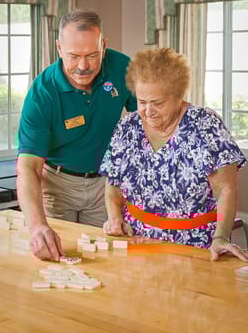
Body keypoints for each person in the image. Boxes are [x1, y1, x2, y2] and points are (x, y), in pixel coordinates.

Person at [99, 47, 248, 262]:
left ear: (178, 95)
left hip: (194, 248)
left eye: (157, 103)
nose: (148, 111)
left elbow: (226, 189)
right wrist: (115, 218)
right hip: (135, 245)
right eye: (142, 102)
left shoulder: (205, 125)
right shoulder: (127, 127)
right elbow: (113, 182)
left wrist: (221, 236)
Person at [16, 8, 137, 261]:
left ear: (104, 45)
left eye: (92, 55)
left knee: (110, 259)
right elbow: (28, 167)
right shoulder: (42, 93)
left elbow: (153, 114)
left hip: (106, 185)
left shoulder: (122, 68)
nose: (83, 66)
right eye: (74, 56)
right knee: (58, 260)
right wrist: (37, 225)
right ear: (59, 48)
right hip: (58, 186)